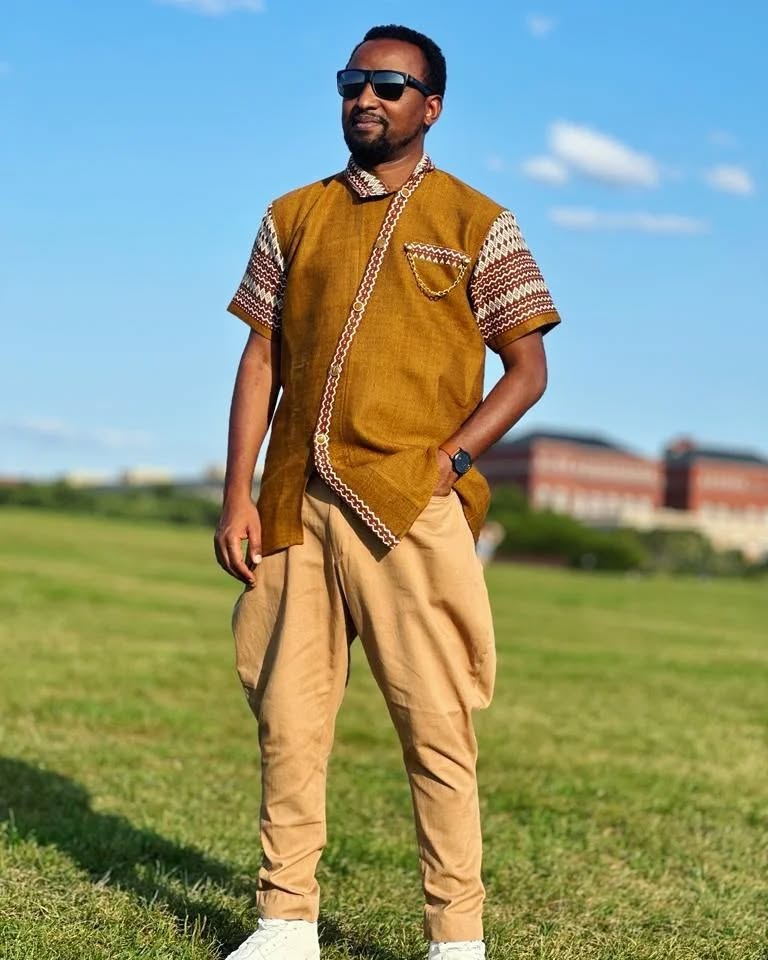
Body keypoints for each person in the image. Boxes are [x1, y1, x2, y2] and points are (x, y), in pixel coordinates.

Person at [214, 24, 560, 960]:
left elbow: (527, 370)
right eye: (353, 82)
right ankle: (285, 923)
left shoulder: (479, 222)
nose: (366, 98)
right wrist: (237, 491)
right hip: (293, 503)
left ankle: (456, 939)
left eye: (390, 85)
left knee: (437, 730)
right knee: (289, 723)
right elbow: (261, 356)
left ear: (430, 106)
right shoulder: (292, 214)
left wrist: (447, 462)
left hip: (409, 509)